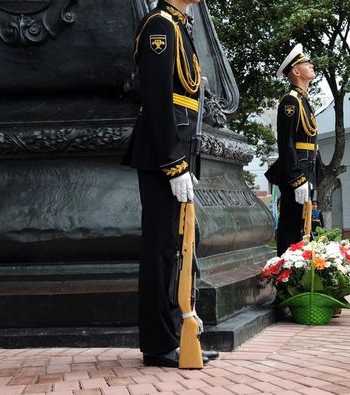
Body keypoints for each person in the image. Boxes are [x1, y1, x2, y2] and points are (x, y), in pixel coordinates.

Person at [122, 0, 218, 367]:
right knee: (161, 251)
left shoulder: (179, 26)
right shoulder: (159, 26)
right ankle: (159, 343)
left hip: (178, 148)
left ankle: (177, 334)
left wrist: (183, 157)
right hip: (164, 153)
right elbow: (159, 99)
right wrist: (172, 163)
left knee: (177, 250)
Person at [264, 43, 321, 256]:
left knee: (304, 224)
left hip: (306, 168)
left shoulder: (303, 100)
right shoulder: (290, 101)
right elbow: (286, 144)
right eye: (306, 63)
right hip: (296, 170)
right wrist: (297, 178)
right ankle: (285, 276)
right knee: (291, 224)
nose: (312, 65)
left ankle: (298, 274)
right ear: (296, 71)